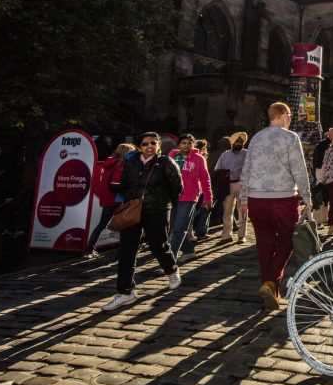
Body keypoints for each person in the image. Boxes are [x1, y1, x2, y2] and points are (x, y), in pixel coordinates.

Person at [240, 102, 311, 311]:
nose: (290, 120)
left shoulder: (256, 137)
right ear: (283, 115)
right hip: (283, 197)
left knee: (264, 244)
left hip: (256, 198)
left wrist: (244, 200)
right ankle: (271, 281)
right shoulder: (290, 137)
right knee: (288, 240)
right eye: (289, 115)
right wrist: (307, 196)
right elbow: (299, 169)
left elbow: (247, 169)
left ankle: (271, 291)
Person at [102, 132, 183, 312]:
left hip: (157, 210)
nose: (149, 146)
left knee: (158, 245)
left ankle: (171, 270)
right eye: (145, 144)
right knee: (126, 250)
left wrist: (163, 202)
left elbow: (177, 187)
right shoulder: (131, 163)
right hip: (133, 210)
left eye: (153, 143)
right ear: (139, 146)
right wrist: (132, 198)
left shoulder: (165, 163)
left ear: (158, 145)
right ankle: (125, 292)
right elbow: (123, 184)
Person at [167, 133, 213, 262]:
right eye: (183, 143)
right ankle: (188, 251)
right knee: (176, 227)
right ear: (179, 144)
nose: (186, 145)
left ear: (193, 144)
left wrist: (208, 197)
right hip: (172, 196)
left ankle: (170, 260)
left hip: (189, 197)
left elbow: (205, 178)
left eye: (189, 143)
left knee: (178, 228)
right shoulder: (171, 157)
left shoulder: (198, 158)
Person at [85, 143, 134, 259]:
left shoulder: (108, 162)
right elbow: (119, 182)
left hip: (106, 197)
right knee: (124, 225)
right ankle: (120, 252)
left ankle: (89, 249)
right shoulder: (121, 164)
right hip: (117, 198)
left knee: (102, 224)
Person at [215, 132, 248, 243]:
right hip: (228, 185)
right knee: (227, 211)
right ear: (232, 143)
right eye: (237, 141)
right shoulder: (224, 155)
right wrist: (224, 174)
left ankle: (241, 235)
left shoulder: (246, 154)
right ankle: (226, 235)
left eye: (240, 142)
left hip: (242, 184)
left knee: (242, 210)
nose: (238, 143)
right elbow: (218, 169)